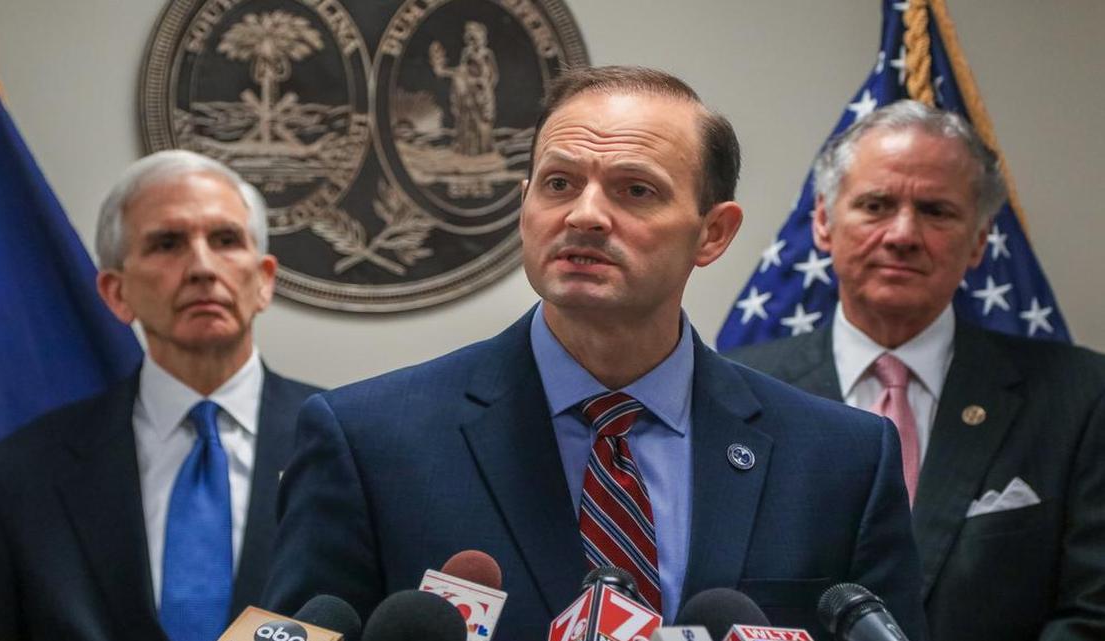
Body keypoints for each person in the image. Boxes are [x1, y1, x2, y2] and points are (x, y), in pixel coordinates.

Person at [262, 66, 926, 641]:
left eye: (635, 189)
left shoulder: (840, 461)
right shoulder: (368, 441)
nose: (584, 215)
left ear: (713, 233)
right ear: (524, 205)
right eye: (558, 183)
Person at [729, 100, 1105, 641]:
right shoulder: (734, 390)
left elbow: (1093, 613)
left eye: (936, 211)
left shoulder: (1080, 396)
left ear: (979, 240)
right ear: (823, 223)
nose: (903, 234)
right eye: (876, 205)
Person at [0, 150, 320, 641]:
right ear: (116, 293)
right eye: (167, 243)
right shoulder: (13, 478)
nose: (201, 267)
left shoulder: (348, 449)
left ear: (263, 281)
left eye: (225, 240)